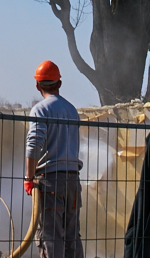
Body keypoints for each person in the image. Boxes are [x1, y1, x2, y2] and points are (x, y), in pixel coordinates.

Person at [24, 60, 84, 258]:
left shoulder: (40, 110)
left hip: (50, 182)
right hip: (73, 181)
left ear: (37, 85)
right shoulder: (72, 111)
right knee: (72, 236)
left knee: (51, 237)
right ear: (59, 83)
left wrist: (28, 178)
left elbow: (34, 145)